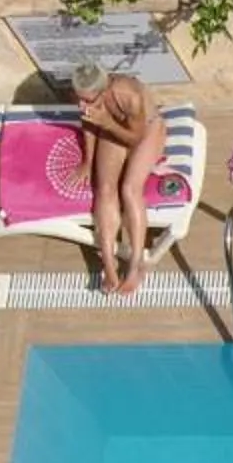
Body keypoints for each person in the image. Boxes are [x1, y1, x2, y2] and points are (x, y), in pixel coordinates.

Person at [71, 60, 161, 295]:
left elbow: (135, 138)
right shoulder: (88, 95)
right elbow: (89, 125)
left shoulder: (128, 95)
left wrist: (107, 123)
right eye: (79, 98)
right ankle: (109, 265)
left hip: (146, 130)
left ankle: (135, 266)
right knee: (105, 188)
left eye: (87, 100)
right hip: (113, 128)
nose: (82, 104)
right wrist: (88, 162)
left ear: (104, 90)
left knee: (130, 190)